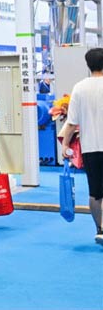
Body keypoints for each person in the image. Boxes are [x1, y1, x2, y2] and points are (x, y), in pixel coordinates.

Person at [60, 48, 103, 245]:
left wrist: (65, 145)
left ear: (88, 65)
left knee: (95, 192)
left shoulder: (79, 88)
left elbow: (71, 123)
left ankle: (100, 229)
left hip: (90, 147)